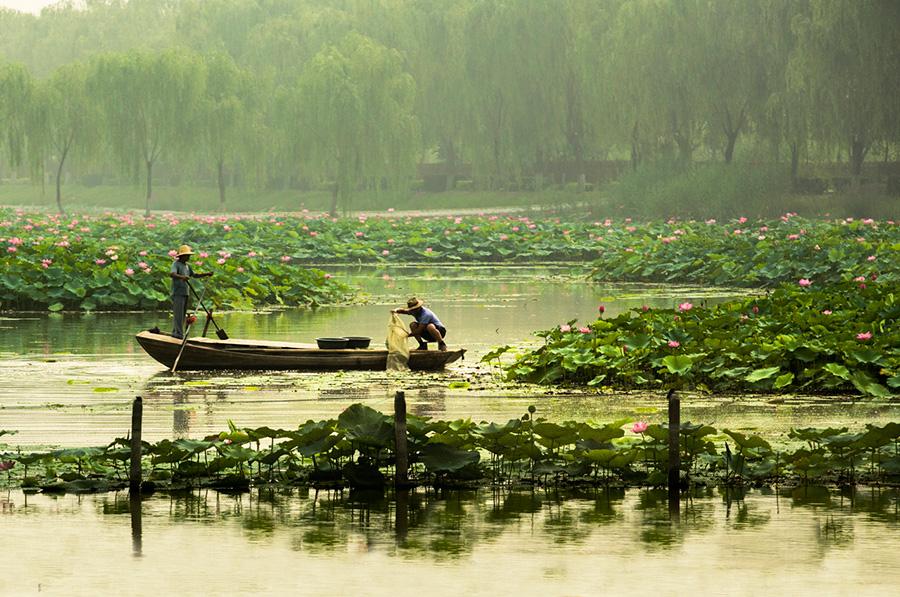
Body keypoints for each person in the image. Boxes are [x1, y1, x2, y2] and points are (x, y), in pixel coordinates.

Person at [170, 245, 212, 339]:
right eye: (187, 255)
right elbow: (172, 274)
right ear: (181, 256)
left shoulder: (187, 266)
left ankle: (177, 333)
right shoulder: (176, 264)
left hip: (185, 293)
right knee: (178, 315)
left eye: (189, 255)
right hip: (178, 293)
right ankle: (178, 335)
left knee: (183, 314)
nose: (188, 257)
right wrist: (182, 277)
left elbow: (195, 275)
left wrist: (206, 274)